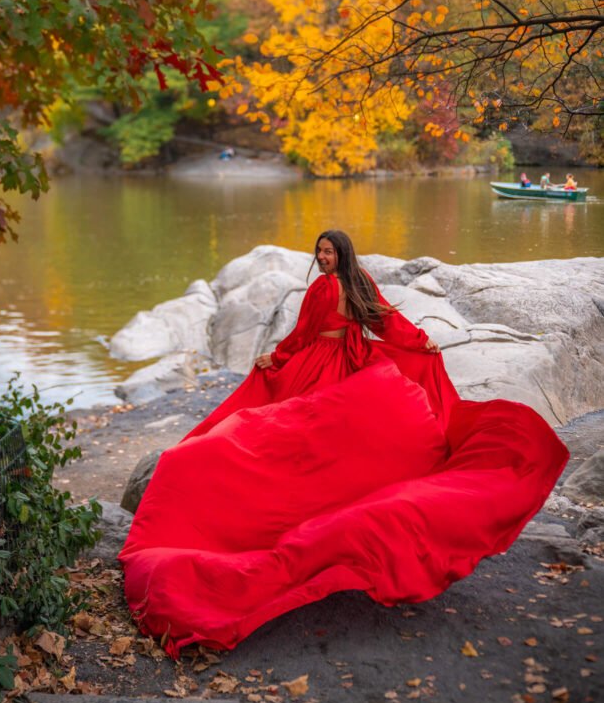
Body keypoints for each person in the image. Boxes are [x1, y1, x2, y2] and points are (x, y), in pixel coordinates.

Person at [119, 230, 569, 658]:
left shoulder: (340, 286)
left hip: (327, 361)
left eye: (328, 252)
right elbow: (366, 322)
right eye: (319, 251)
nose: (322, 258)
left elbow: (363, 324)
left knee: (305, 434)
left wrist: (284, 357)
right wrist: (282, 354)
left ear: (343, 254)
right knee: (323, 435)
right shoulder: (351, 283)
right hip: (345, 361)